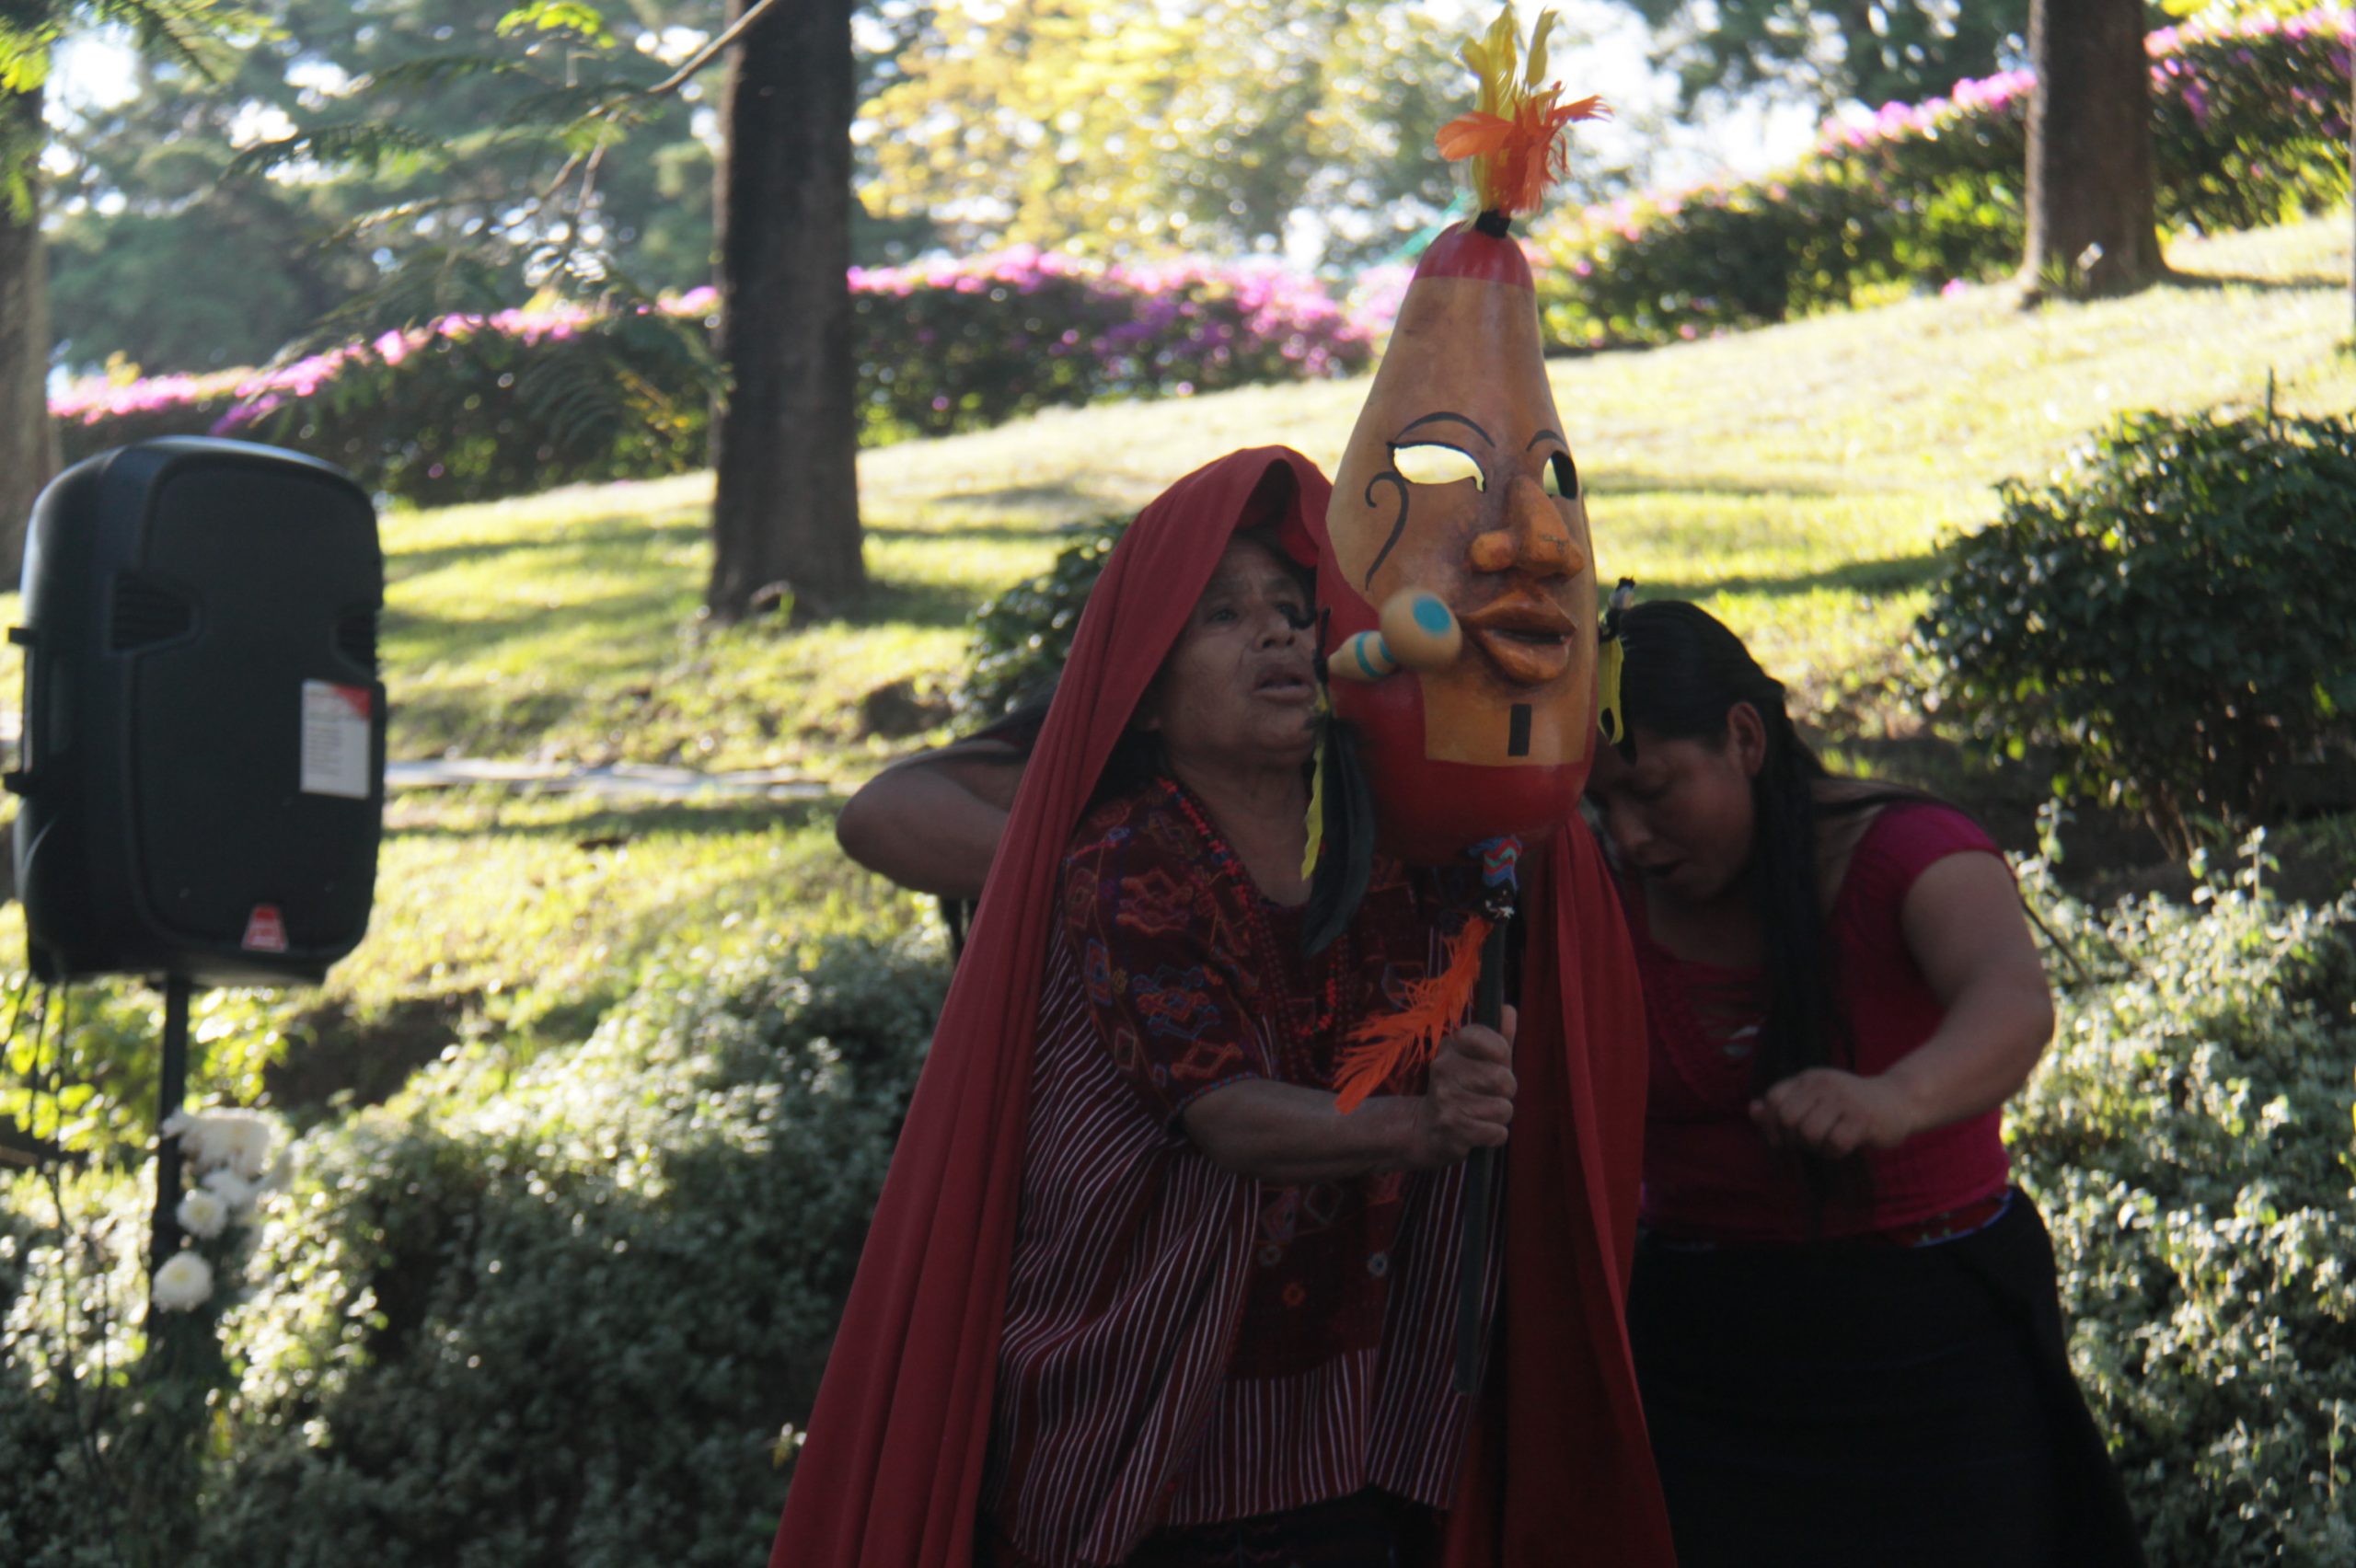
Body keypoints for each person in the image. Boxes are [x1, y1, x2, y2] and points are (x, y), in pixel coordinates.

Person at [774, 446, 1673, 1567]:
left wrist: (1491, 1057)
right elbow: (1227, 1116)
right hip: (1150, 1450)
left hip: (1368, 1438)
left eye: (1294, 613)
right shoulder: (1124, 861)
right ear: (1144, 692)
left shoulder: (1398, 841)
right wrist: (1420, 1124)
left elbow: (1496, 935)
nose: (1279, 636)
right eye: (1223, 617)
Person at [1582, 597, 2144, 1568]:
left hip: (1933, 1346)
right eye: (1602, 804)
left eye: (1657, 790)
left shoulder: (1908, 848)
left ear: (1744, 737)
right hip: (1703, 1355)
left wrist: (1895, 1098)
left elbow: (2012, 1005)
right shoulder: (1595, 888)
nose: (1630, 836)